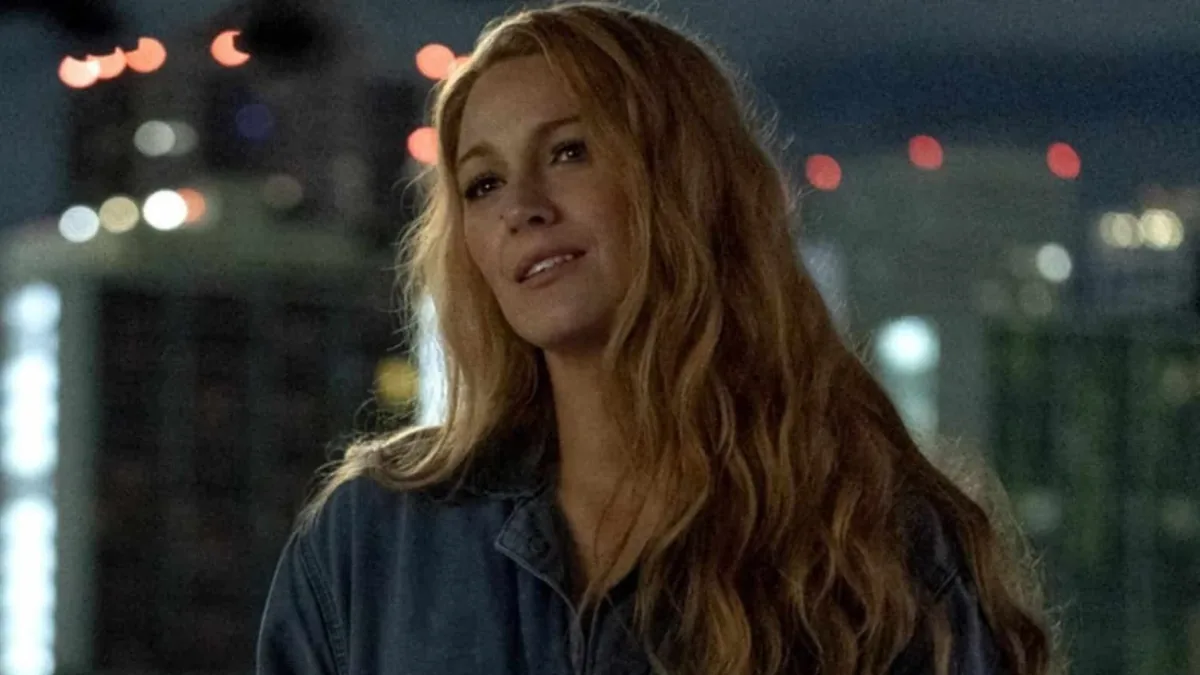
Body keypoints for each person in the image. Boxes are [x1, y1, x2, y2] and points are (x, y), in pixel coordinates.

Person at [256, 3, 1058, 674]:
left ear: (684, 183)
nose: (521, 207)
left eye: (568, 152)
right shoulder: (376, 545)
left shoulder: (874, 546)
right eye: (484, 182)